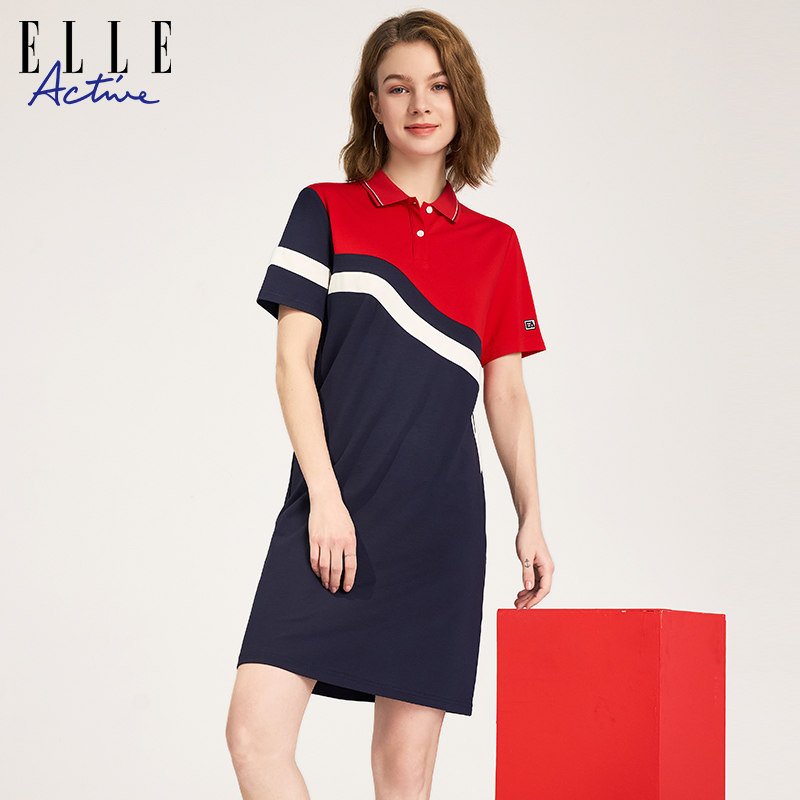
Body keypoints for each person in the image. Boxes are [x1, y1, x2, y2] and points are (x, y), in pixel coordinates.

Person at [226, 9, 554, 799]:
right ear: (372, 104)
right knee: (253, 735)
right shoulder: (324, 211)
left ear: (463, 99)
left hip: (439, 530)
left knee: (403, 776)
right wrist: (325, 499)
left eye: (438, 85)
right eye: (398, 87)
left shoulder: (496, 247)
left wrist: (532, 516)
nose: (420, 104)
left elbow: (507, 392)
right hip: (330, 509)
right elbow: (292, 363)